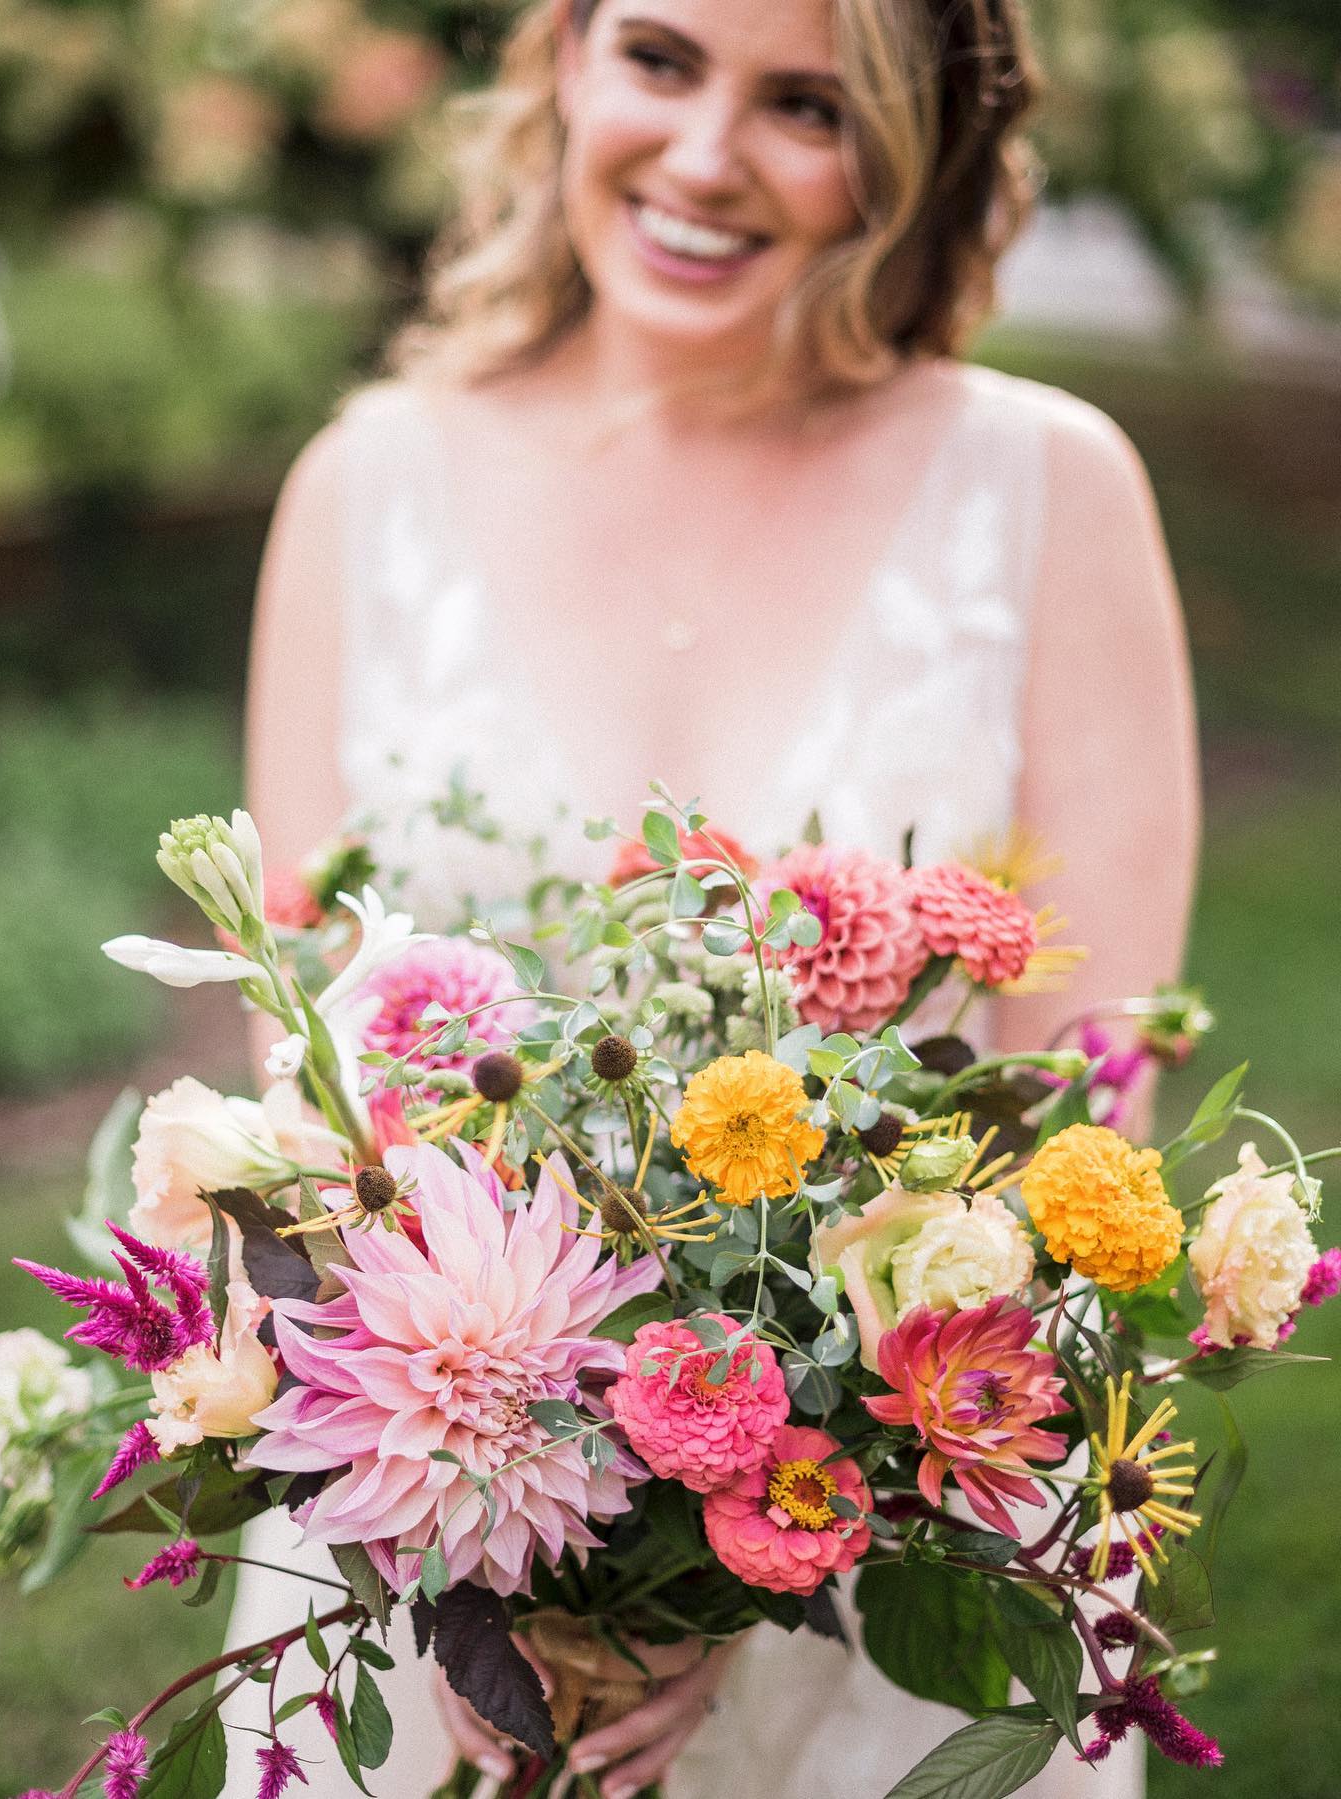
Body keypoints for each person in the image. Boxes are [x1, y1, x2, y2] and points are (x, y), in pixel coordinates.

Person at [229, 0, 1200, 1793]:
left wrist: (731, 1578)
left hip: (893, 1551)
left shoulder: (1050, 494)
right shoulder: (365, 488)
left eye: (806, 104)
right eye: (661, 59)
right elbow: (311, 1105)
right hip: (429, 1563)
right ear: (567, 62)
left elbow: (1089, 1144)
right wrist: (468, 1583)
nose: (702, 157)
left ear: (908, 161)